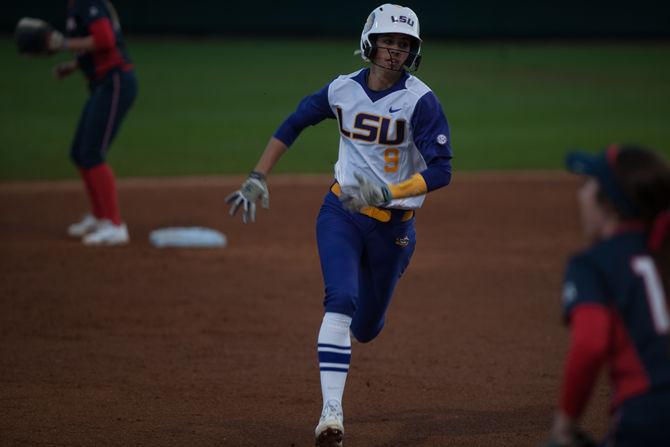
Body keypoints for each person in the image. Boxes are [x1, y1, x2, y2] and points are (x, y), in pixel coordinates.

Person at [225, 4, 452, 446]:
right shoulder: (342, 90)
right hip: (340, 214)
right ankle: (331, 415)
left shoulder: (421, 101)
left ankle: (351, 336)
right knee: (341, 298)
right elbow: (294, 122)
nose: (395, 51)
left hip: (395, 229)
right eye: (388, 41)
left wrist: (390, 192)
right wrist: (258, 175)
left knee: (366, 328)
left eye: (404, 45)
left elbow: (442, 169)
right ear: (370, 41)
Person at [544, 144, 670, 446]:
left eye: (588, 185)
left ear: (609, 203)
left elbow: (589, 345)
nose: (580, 195)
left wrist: (564, 426)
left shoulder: (593, 264)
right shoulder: (663, 252)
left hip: (648, 416)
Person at [50, 0, 137, 245]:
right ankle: (100, 217)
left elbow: (106, 39)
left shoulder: (88, 2)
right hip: (103, 84)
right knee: (79, 152)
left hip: (116, 81)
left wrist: (63, 43)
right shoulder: (77, 5)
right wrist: (74, 64)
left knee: (91, 152)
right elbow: (95, 44)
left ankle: (115, 224)